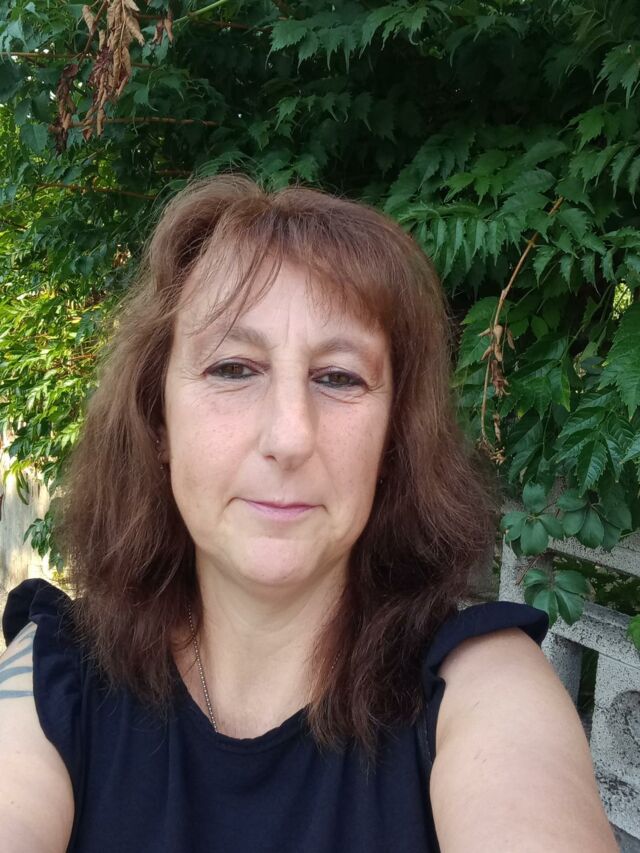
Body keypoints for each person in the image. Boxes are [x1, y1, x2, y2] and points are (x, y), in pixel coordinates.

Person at [0, 174, 616, 852]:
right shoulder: (57, 674)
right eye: (234, 368)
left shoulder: (484, 684)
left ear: (392, 442)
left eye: (339, 377)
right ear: (159, 424)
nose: (290, 436)